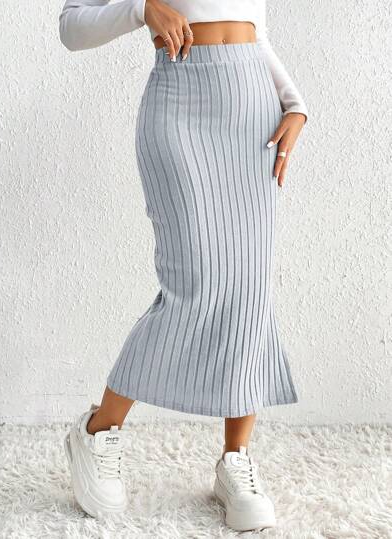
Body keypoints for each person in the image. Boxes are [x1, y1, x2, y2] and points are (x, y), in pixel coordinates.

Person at [59, 0, 308, 532]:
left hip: (254, 111)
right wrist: (141, 9)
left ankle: (235, 459)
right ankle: (98, 430)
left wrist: (294, 102)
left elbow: (255, 32)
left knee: (248, 286)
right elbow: (71, 27)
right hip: (180, 104)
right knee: (194, 284)